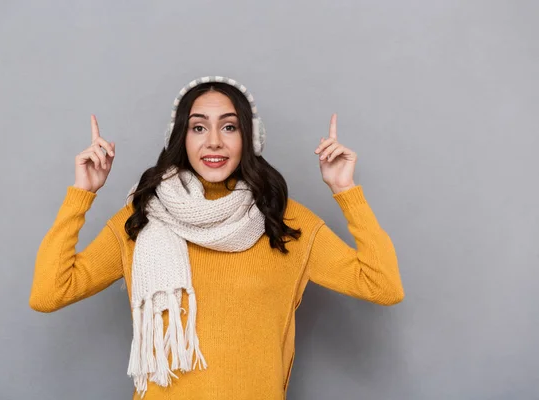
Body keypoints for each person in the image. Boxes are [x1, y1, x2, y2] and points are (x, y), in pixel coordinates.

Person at [29, 76, 405, 399]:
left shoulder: (284, 221)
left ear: (249, 138)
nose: (213, 142)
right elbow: (50, 292)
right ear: (181, 138)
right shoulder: (143, 217)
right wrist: (83, 194)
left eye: (229, 127)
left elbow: (382, 285)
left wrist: (345, 190)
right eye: (198, 127)